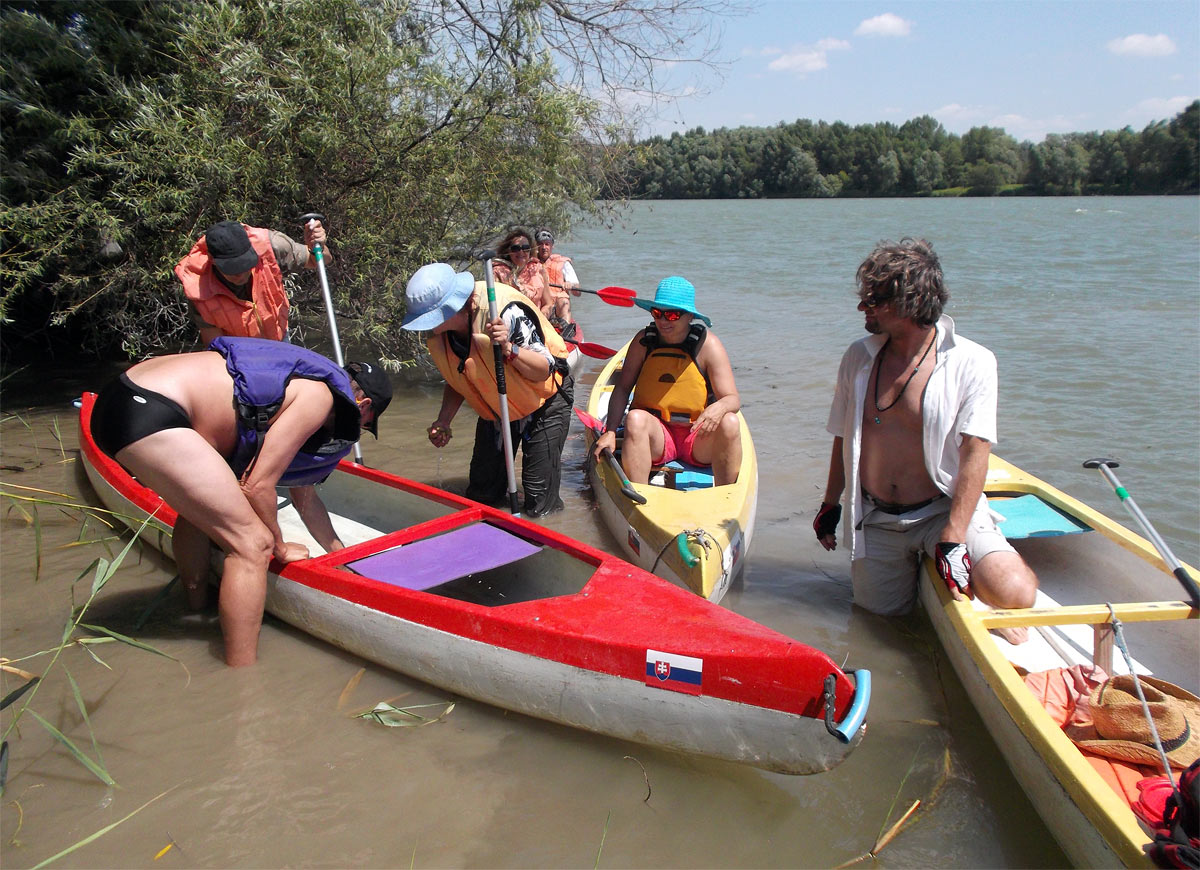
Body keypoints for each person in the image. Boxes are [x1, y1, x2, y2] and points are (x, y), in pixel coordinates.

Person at [89, 337, 392, 666]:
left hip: (120, 400)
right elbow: (256, 485)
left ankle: (194, 602)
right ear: (363, 408)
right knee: (252, 546)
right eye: (365, 425)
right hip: (153, 411)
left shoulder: (295, 385)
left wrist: (338, 554)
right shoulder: (318, 398)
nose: (357, 429)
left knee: (200, 515)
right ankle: (242, 680)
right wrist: (278, 546)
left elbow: (304, 494)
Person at [814, 238, 1038, 628]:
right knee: (877, 627)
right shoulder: (858, 357)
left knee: (1016, 593)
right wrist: (831, 503)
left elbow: (976, 449)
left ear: (906, 303)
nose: (861, 308)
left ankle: (990, 556)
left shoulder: (974, 361)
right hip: (878, 518)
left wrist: (953, 535)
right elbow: (841, 438)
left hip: (942, 510)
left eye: (871, 301)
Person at [401, 262, 573, 517]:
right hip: (498, 403)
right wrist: (444, 420)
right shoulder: (443, 333)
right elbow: (460, 375)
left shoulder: (503, 313)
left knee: (538, 502)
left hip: (545, 397)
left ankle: (543, 540)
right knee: (482, 496)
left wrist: (508, 349)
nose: (425, 326)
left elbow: (544, 369)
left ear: (453, 309)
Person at [592, 276, 742, 486]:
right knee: (634, 419)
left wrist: (719, 408)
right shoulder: (643, 341)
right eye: (657, 313)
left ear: (690, 316)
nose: (663, 321)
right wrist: (609, 432)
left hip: (697, 438)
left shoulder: (709, 346)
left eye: (672, 314)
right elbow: (623, 388)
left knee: (731, 422)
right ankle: (638, 499)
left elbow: (733, 399)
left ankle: (726, 497)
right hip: (658, 437)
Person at [174, 218, 329, 344]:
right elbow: (215, 345)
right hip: (239, 355)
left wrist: (318, 246)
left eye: (246, 265)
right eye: (233, 270)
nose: (241, 275)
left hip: (279, 339)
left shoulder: (273, 245)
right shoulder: (198, 289)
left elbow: (319, 260)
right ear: (214, 261)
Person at [490, 228, 551, 316]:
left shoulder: (538, 269)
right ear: (508, 251)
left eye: (525, 248)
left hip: (537, 321)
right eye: (515, 248)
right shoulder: (497, 272)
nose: (521, 252)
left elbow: (548, 303)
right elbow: (494, 304)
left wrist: (542, 316)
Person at [534, 228, 576, 327]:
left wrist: (571, 284)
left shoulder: (563, 263)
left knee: (564, 300)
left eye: (547, 244)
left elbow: (577, 293)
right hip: (541, 305)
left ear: (552, 246)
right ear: (536, 246)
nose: (544, 247)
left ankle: (565, 329)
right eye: (541, 244)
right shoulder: (531, 264)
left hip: (558, 307)